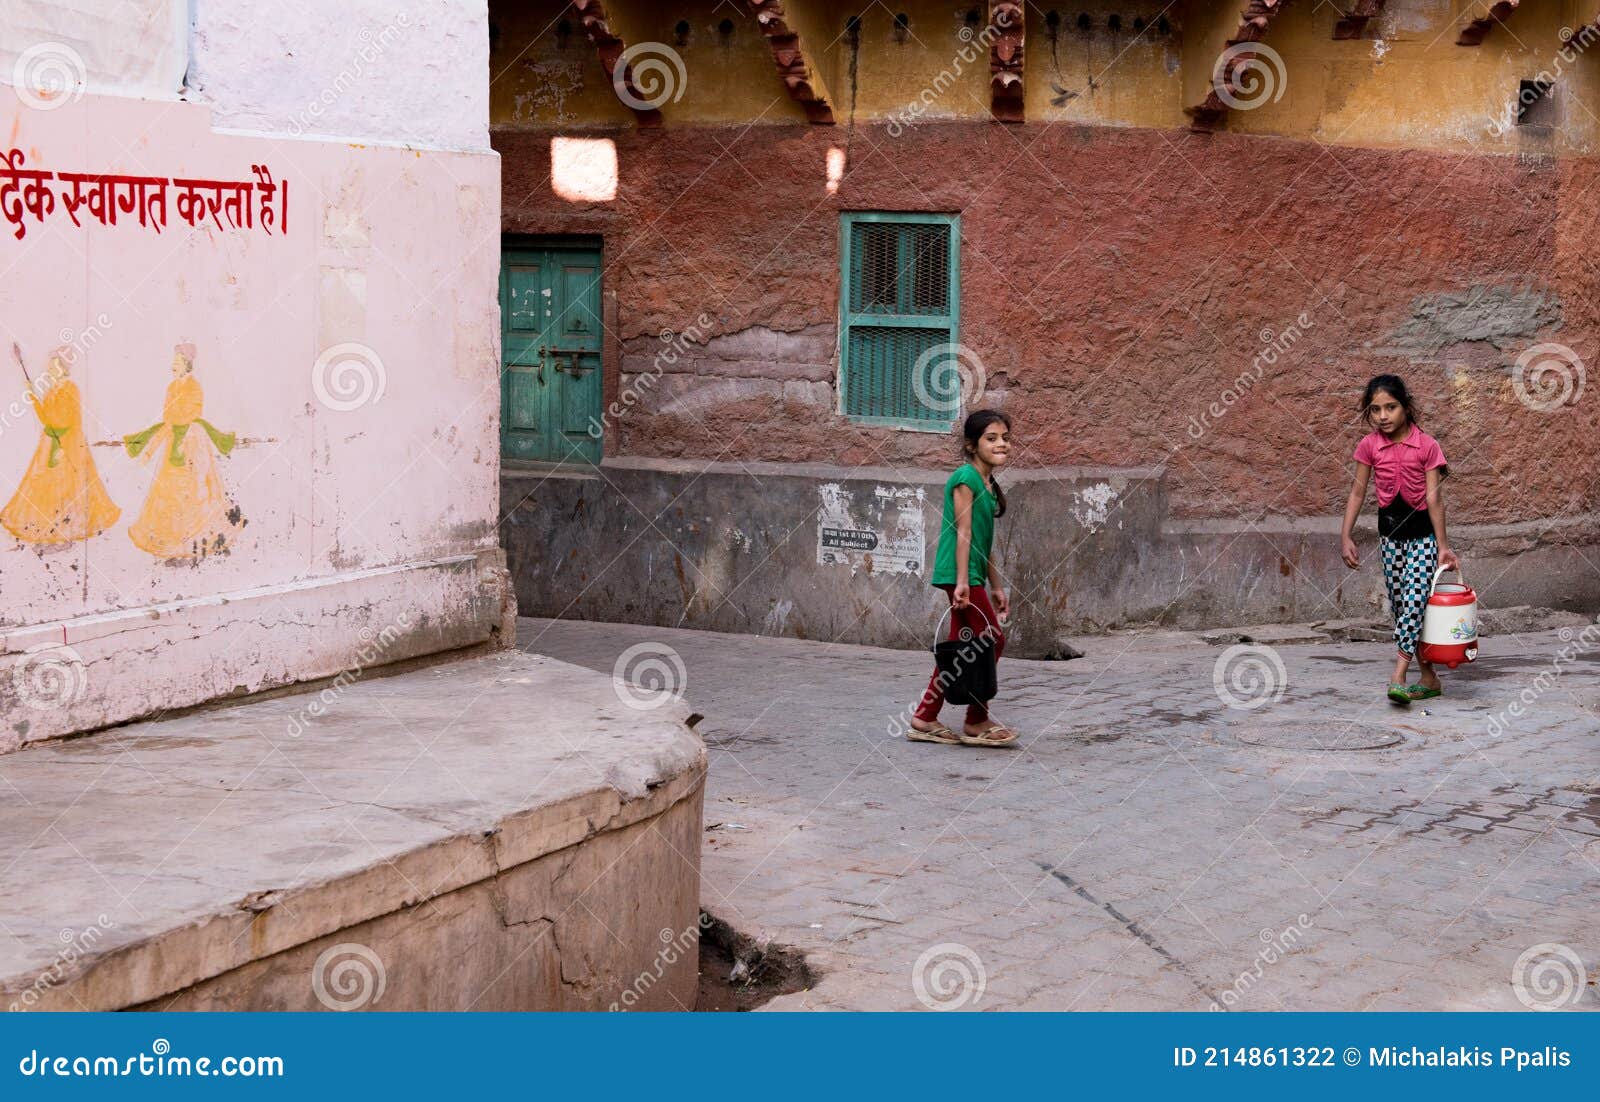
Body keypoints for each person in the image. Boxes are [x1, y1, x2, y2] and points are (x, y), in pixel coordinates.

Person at [1339, 374, 1458, 705]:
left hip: (1422, 538)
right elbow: (1358, 491)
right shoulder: (1369, 446)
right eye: (1375, 410)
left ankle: (1399, 675)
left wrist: (1443, 547)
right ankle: (1430, 677)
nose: (1383, 416)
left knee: (1416, 599)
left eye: (1390, 407)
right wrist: (1345, 534)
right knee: (1405, 607)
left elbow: (1435, 499)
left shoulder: (1427, 446)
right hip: (1390, 538)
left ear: (1405, 407)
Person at [908, 409, 1018, 748]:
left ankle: (925, 717)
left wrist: (996, 587)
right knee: (991, 639)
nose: (1002, 444)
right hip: (959, 574)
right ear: (972, 445)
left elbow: (985, 544)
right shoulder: (965, 478)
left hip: (970, 575)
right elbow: (964, 534)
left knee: (964, 646)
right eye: (992, 438)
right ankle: (976, 720)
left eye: (1005, 438)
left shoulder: (986, 482)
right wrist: (961, 583)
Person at [124, 343, 240, 558]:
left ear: (187, 364)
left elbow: (189, 412)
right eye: (173, 362)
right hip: (173, 438)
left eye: (177, 362)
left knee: (192, 490)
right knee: (169, 490)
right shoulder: (172, 387)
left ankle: (191, 544)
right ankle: (174, 544)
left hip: (190, 440)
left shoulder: (193, 387)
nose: (173, 366)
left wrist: (177, 423)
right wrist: (151, 448)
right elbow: (169, 415)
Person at [1, 347, 120, 544]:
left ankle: (64, 536)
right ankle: (53, 532)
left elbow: (63, 421)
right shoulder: (52, 390)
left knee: (65, 488)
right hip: (50, 443)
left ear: (62, 367)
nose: (48, 370)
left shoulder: (70, 388)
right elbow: (45, 418)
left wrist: (59, 445)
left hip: (67, 444)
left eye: (52, 366)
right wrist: (31, 393)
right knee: (47, 487)